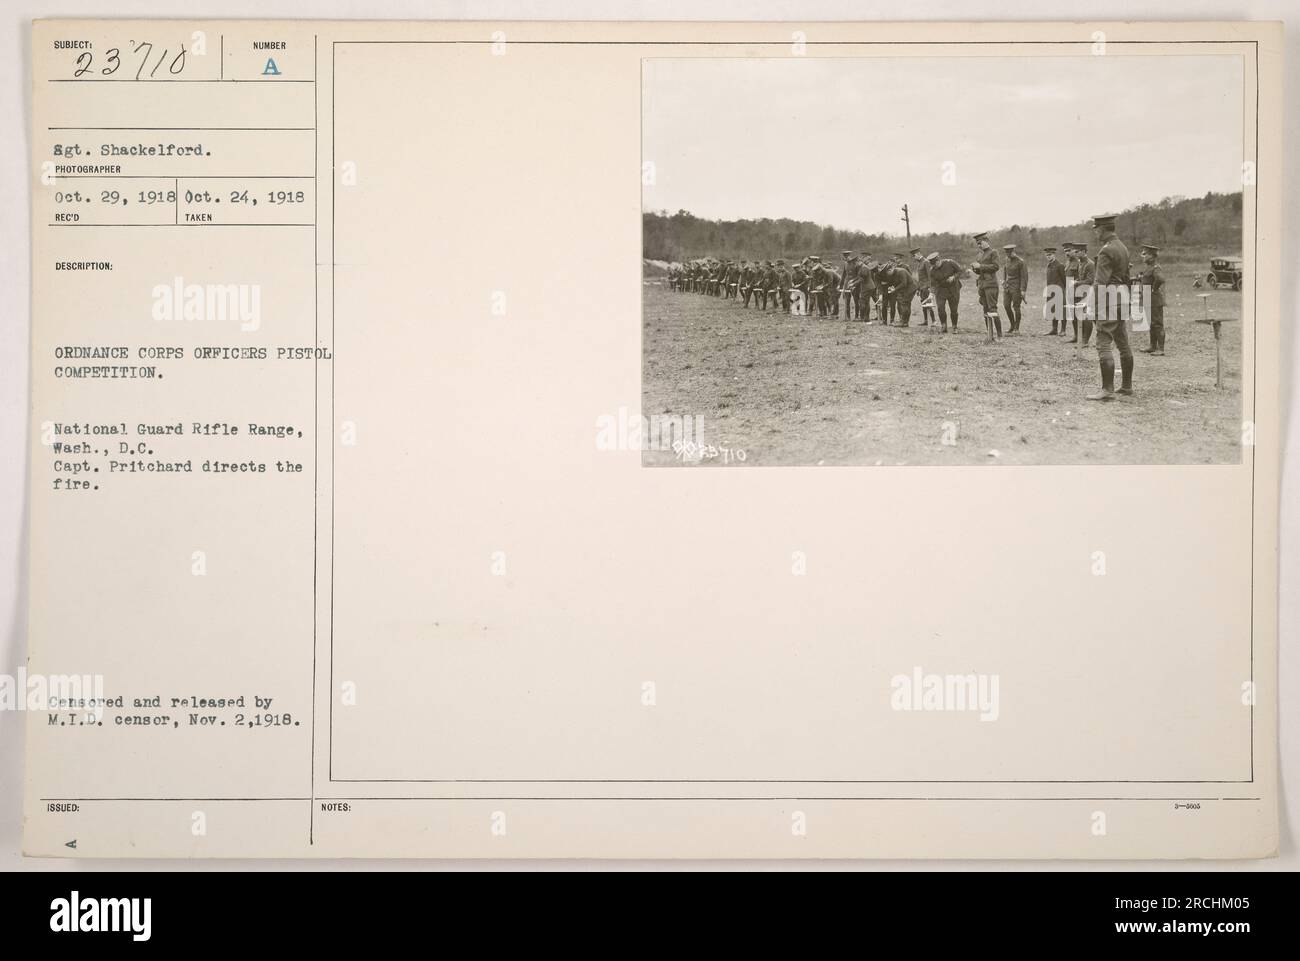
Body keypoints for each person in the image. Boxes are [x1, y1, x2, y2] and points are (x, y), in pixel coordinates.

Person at [1087, 214, 1134, 400]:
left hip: (1108, 298)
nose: (1096, 233)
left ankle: (1107, 390)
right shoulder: (1122, 247)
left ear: (1103, 229)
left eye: (1097, 229)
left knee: (1103, 341)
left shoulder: (1106, 250)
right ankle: (1127, 386)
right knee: (1122, 342)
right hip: (1122, 297)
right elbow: (1127, 278)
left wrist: (1092, 305)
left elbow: (1100, 283)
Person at [971, 232, 1002, 340]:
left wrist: (981, 266)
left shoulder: (994, 252)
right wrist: (975, 269)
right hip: (982, 286)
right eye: (978, 244)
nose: (979, 245)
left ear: (987, 241)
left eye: (981, 243)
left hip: (991, 285)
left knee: (993, 310)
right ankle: (990, 335)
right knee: (985, 310)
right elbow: (980, 272)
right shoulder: (979, 255)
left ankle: (999, 336)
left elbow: (996, 266)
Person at [1137, 244, 1166, 356]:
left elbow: (1160, 279)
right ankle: (1152, 346)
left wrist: (1154, 289)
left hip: (1154, 299)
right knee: (1151, 323)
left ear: (1152, 256)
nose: (1142, 256)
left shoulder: (1155, 267)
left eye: (1145, 254)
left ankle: (1161, 349)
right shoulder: (1149, 268)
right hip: (1149, 299)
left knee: (1157, 323)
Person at [927, 252, 962, 333]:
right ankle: (944, 326)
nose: (935, 267)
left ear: (938, 261)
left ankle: (954, 327)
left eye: (935, 264)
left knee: (954, 309)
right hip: (941, 290)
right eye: (933, 266)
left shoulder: (950, 262)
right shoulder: (932, 270)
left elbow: (960, 271)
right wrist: (931, 293)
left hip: (953, 289)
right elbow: (933, 283)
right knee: (940, 308)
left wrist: (954, 277)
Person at [1001, 243, 1028, 334]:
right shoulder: (1006, 260)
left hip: (1016, 288)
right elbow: (1005, 270)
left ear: (1013, 251)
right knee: (1006, 305)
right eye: (1006, 253)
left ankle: (1017, 328)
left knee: (1016, 307)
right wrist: (1004, 280)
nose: (1008, 255)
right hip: (1007, 287)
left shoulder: (1021, 262)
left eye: (1009, 253)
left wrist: (1023, 290)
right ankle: (1012, 325)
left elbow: (1024, 277)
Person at [1042, 246, 1067, 335]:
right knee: (1053, 309)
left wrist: (1064, 290)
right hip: (1051, 291)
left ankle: (1063, 330)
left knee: (1062, 310)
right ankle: (1054, 329)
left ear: (1054, 255)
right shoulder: (1049, 265)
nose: (1048, 257)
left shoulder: (1060, 265)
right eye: (1047, 255)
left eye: (1050, 255)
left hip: (1059, 290)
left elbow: (1064, 280)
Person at [912, 247, 936, 327]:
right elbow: (920, 278)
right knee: (923, 304)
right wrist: (918, 289)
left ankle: (933, 321)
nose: (914, 257)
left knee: (928, 304)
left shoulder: (926, 262)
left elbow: (930, 276)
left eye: (914, 255)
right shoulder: (919, 263)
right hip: (922, 287)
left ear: (918, 254)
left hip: (926, 287)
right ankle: (926, 321)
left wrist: (930, 287)